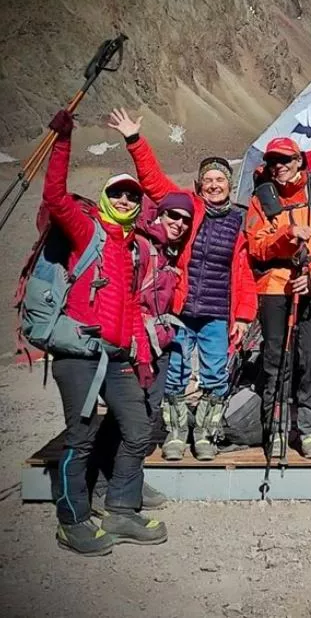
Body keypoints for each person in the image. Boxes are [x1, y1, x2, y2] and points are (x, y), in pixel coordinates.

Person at [40, 110, 167, 555]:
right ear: (106, 197)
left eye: (132, 196)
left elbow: (131, 305)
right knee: (82, 434)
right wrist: (63, 140)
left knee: (138, 427)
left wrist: (137, 352)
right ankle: (71, 520)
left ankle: (120, 509)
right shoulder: (85, 230)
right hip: (78, 352)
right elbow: (55, 196)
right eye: (119, 194)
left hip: (117, 356)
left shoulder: (134, 247)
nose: (129, 200)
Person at [108, 108, 258, 462]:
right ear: (199, 186)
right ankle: (176, 434)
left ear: (229, 184)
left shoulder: (240, 221)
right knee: (174, 373)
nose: (215, 185)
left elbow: (245, 273)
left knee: (215, 374)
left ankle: (205, 435)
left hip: (218, 312)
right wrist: (134, 140)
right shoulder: (188, 208)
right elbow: (154, 182)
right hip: (179, 309)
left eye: (220, 179)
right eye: (209, 180)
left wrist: (244, 315)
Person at [92, 191, 195, 513]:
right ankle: (99, 485)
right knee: (127, 417)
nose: (178, 223)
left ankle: (128, 480)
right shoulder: (141, 245)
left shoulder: (167, 251)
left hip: (158, 342)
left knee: (146, 414)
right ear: (159, 215)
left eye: (185, 219)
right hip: (136, 344)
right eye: (172, 216)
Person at [244, 137, 311, 458]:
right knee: (276, 360)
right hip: (274, 287)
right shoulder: (260, 201)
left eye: (286, 160)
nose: (280, 167)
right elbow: (256, 245)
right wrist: (286, 237)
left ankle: (310, 428)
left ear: (300, 161)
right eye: (274, 161)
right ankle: (275, 426)